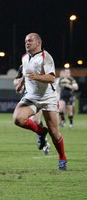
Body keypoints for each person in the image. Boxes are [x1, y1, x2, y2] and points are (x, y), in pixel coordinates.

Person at [13, 33, 67, 170]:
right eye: (25, 41)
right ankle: (41, 132)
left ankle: (62, 158)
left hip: (48, 98)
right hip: (31, 96)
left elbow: (51, 78)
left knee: (54, 132)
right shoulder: (25, 58)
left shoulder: (46, 57)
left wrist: (36, 77)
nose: (27, 43)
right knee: (18, 119)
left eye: (30, 41)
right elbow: (27, 73)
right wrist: (20, 83)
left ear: (38, 43)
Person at [14, 65, 50, 155]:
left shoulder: (40, 66)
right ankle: (43, 138)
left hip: (40, 98)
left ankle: (44, 138)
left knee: (36, 120)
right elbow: (16, 80)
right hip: (28, 98)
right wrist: (19, 83)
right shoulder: (23, 66)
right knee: (30, 120)